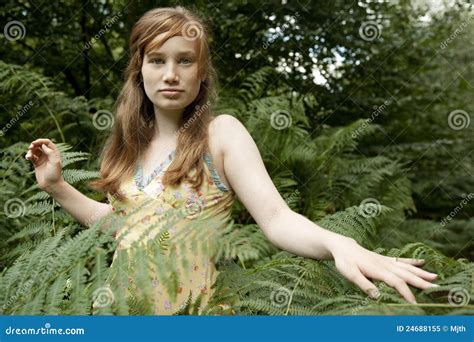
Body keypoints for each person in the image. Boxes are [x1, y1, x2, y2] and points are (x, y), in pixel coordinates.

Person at [25, 6, 439, 314]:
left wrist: (337, 242)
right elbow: (122, 225)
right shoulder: (126, 147)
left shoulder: (219, 134)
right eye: (157, 60)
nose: (171, 73)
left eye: (184, 60)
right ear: (140, 70)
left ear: (201, 73)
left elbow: (276, 218)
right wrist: (57, 187)